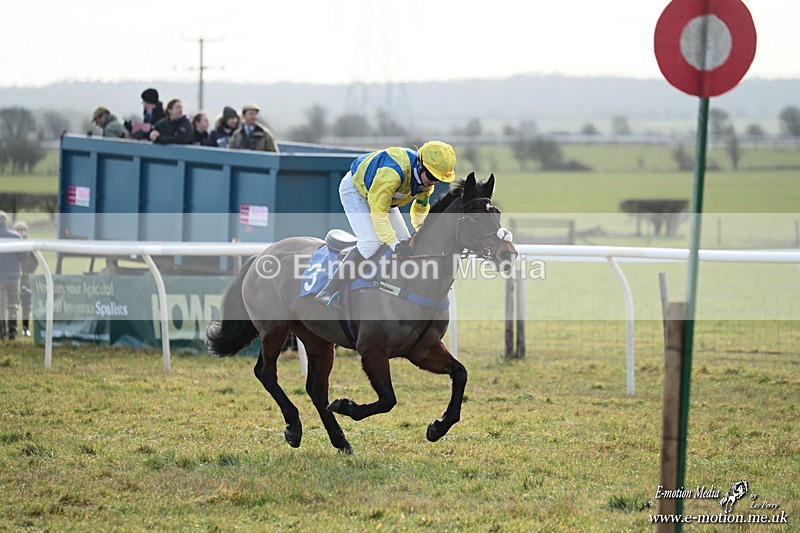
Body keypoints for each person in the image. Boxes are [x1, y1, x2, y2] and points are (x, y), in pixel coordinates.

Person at [315, 141, 456, 306]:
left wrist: (422, 232)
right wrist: (394, 244)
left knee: (406, 241)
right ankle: (328, 290)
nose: (434, 183)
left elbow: (420, 211)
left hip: (384, 197)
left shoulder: (426, 183)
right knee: (371, 242)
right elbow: (378, 213)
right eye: (432, 177)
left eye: (439, 179)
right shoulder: (392, 173)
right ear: (420, 165)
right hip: (356, 190)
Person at [11, 221, 37, 337]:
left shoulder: (30, 244)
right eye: (18, 230)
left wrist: (29, 271)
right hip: (13, 278)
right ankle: (12, 328)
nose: (21, 232)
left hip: (26, 279)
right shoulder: (11, 244)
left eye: (23, 230)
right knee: (12, 304)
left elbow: (36, 260)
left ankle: (25, 328)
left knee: (26, 304)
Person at [0, 211, 22, 341]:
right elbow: (23, 256)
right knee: (13, 305)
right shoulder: (15, 236)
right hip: (14, 275)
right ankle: (12, 332)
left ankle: (1, 333)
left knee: (1, 306)